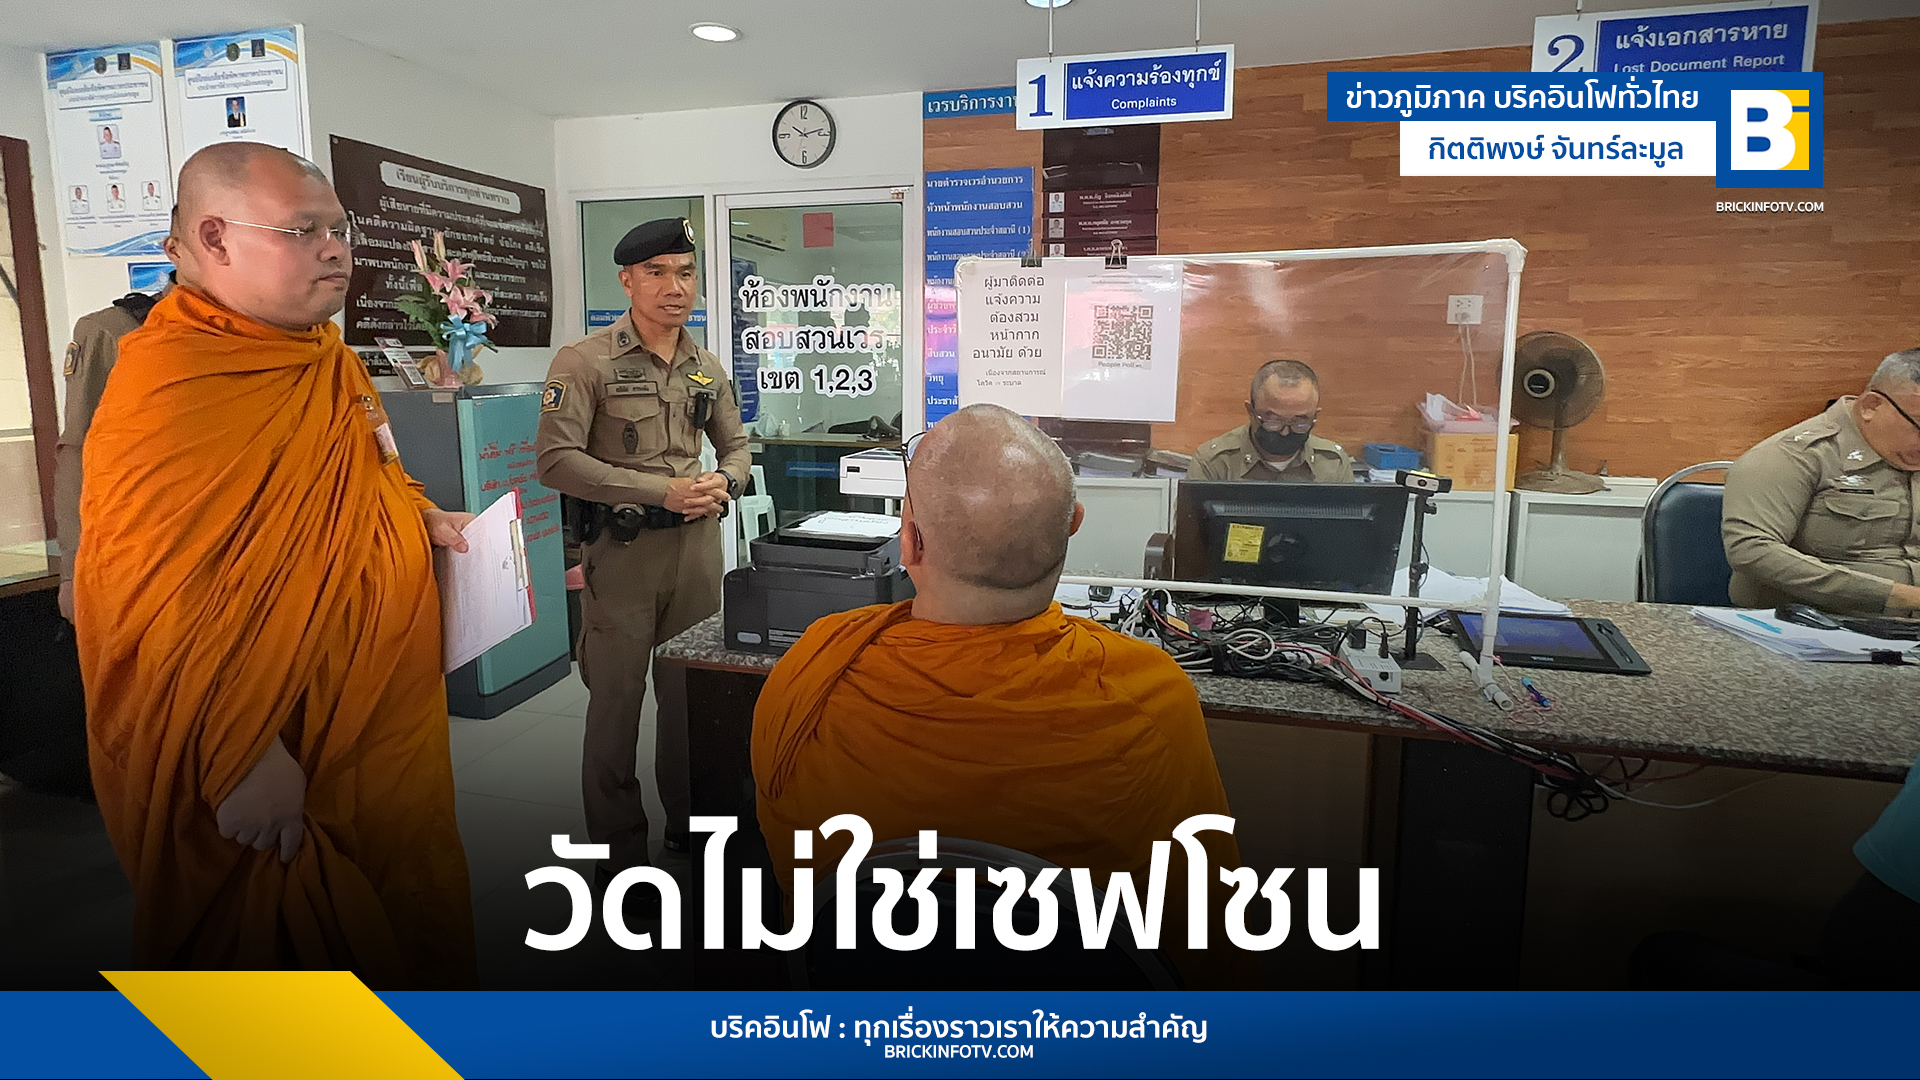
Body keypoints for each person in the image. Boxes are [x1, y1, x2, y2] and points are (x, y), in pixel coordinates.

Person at [73, 142, 476, 985]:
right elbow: (148, 597)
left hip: (373, 727)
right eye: (304, 231)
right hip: (264, 755)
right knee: (281, 979)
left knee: (404, 931)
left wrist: (421, 515)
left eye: (340, 230)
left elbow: (372, 473)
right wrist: (240, 757)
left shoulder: (327, 358)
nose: (336, 250)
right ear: (214, 239)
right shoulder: (171, 382)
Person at [753, 403, 1248, 984]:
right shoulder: (1151, 693)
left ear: (909, 542)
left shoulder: (819, 662)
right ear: (1073, 524)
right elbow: (1206, 925)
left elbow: (792, 868)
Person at [535, 217, 750, 880]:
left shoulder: (705, 366)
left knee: (692, 703)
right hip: (624, 552)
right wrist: (662, 491)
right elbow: (555, 460)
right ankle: (618, 853)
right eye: (656, 272)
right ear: (627, 281)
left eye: (685, 272)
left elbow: (738, 446)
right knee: (616, 707)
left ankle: (690, 828)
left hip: (697, 552)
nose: (674, 286)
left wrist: (725, 480)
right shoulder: (585, 361)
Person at [1723, 349, 1920, 615]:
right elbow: (1752, 550)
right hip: (1813, 625)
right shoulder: (1792, 455)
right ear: (1871, 407)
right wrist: (1898, 596)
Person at [53, 273, 173, 621]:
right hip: (150, 557)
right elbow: (79, 450)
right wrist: (73, 571)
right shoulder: (115, 330)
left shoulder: (275, 328)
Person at [1192, 359, 1354, 482]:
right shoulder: (1215, 462)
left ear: (1315, 417)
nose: (1285, 432)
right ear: (1251, 411)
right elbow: (1193, 518)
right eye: (1274, 421)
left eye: (1300, 422)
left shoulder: (1333, 463)